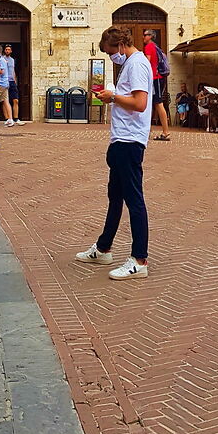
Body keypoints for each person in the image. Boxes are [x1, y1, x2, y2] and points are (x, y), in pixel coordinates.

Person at [75, 27, 152, 280]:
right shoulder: (130, 63)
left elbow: (140, 103)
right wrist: (112, 97)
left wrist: (113, 96)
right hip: (121, 139)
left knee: (134, 199)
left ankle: (139, 259)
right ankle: (103, 247)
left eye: (111, 53)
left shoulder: (137, 64)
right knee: (115, 196)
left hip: (130, 141)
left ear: (120, 45)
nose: (111, 58)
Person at [0, 47, 19, 127]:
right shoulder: (3, 60)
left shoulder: (1, 60)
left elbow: (2, 71)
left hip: (2, 83)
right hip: (6, 83)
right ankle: (10, 119)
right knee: (5, 101)